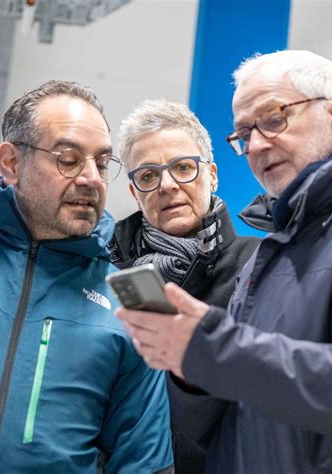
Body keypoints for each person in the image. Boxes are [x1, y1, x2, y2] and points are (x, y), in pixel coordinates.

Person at [116, 50, 332, 473]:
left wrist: (211, 347)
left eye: (274, 119)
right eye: (244, 134)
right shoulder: (281, 243)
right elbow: (250, 405)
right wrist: (192, 371)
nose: (257, 145)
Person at [0, 80, 173, 473]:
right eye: (69, 159)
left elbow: (146, 462)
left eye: (102, 163)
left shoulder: (140, 295)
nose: (92, 178)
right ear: (11, 163)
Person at [109, 99, 260, 473]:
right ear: (134, 192)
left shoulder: (259, 267)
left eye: (182, 168)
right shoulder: (101, 275)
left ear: (212, 174)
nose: (167, 185)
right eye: (147, 176)